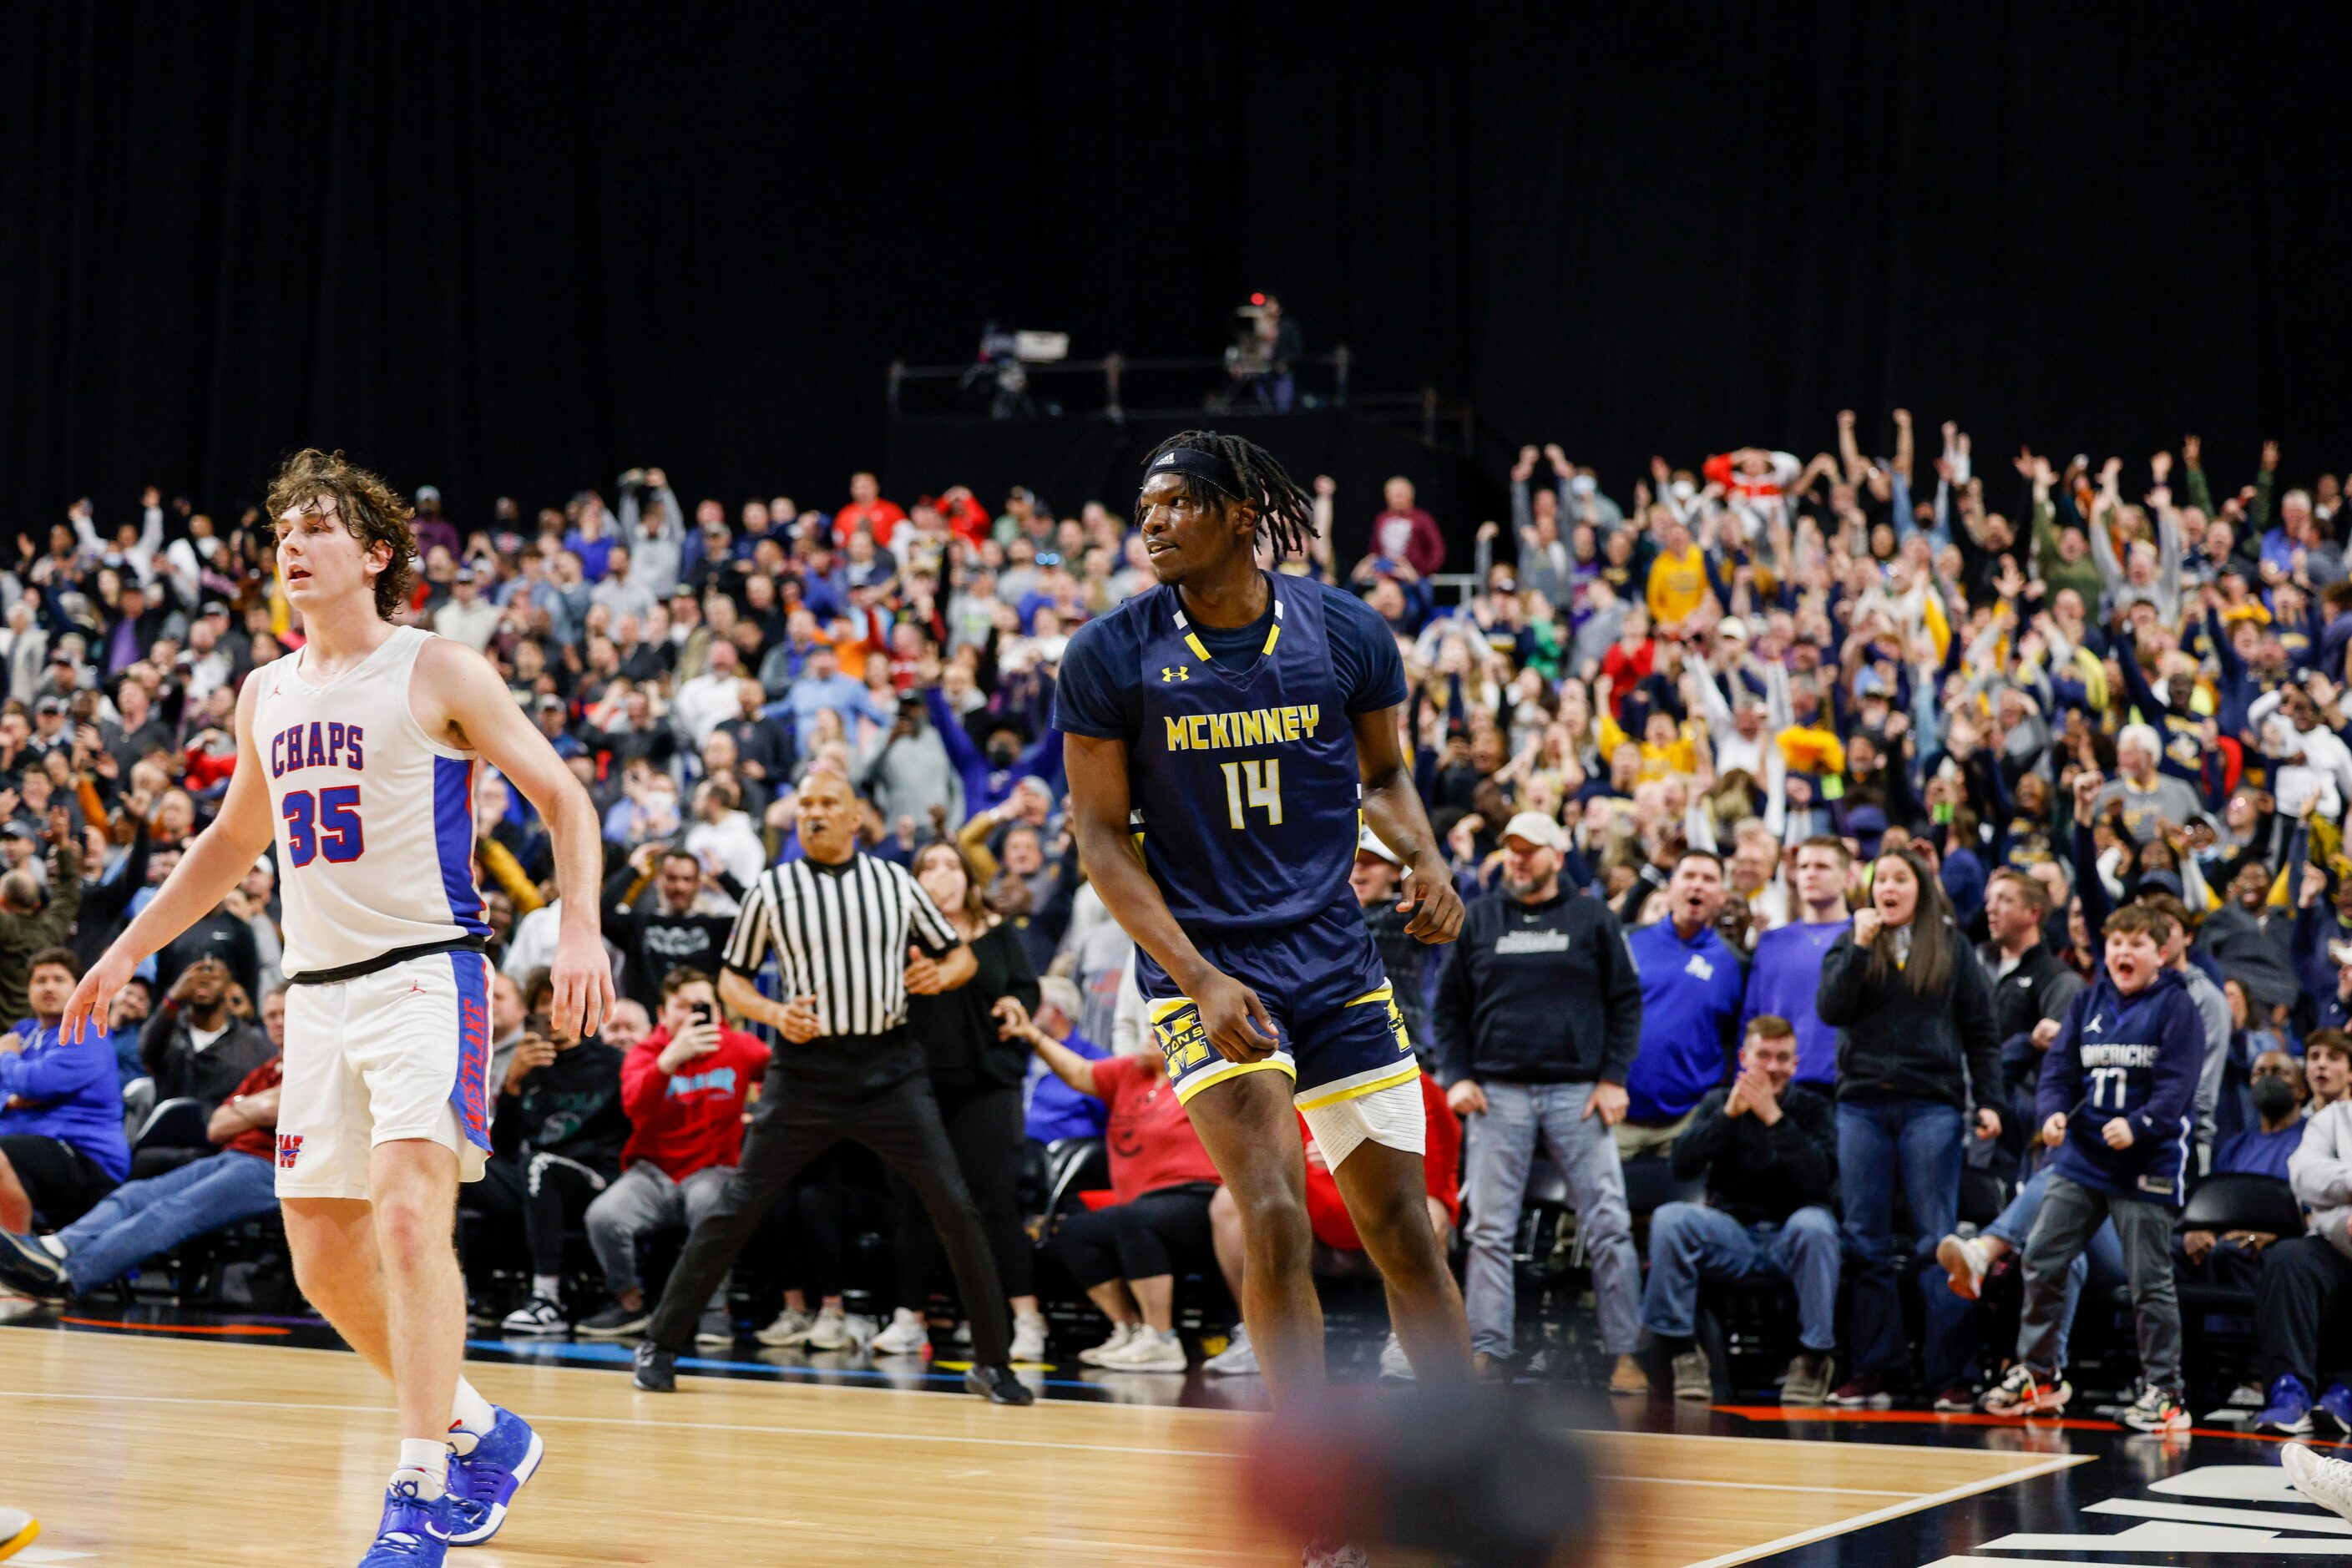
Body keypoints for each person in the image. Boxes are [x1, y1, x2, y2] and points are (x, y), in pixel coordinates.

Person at [58, 451, 617, 1562]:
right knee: (320, 1258)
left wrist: (583, 924)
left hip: (426, 970)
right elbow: (229, 842)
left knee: (410, 1212)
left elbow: (563, 795)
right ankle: (478, 1426)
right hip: (316, 993)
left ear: (374, 552)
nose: (293, 547)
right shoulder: (266, 690)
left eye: (316, 528)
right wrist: (124, 946)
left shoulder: (438, 668)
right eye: (280, 534)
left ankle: (418, 1484)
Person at [1055, 432, 1469, 1513]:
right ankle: (1320, 1494)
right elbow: (1100, 841)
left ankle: (1472, 1476)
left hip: (1334, 958)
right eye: (1142, 507)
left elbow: (1383, 776)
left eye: (1175, 504)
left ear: (1241, 513)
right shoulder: (1109, 654)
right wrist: (1193, 974)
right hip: (1208, 969)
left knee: (1403, 1232)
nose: (1149, 523)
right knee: (1275, 1215)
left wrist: (1422, 859)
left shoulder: (1343, 630)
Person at [627, 768, 1033, 1405]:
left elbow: (960, 955)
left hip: (890, 1070)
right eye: (805, 804)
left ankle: (992, 1362)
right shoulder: (772, 887)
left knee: (954, 1204)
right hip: (805, 1072)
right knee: (738, 1206)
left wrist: (941, 979)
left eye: (828, 804)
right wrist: (771, 1014)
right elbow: (732, 979)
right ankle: (660, 1342)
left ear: (855, 818)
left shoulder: (894, 882)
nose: (814, 813)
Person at [1433, 811, 1645, 1388]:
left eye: (1530, 850)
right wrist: (1456, 1075)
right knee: (1489, 1231)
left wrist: (1612, 1078)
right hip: (1496, 1092)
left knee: (1608, 1225)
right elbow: (1447, 1010)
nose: (1518, 860)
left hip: (1577, 1092)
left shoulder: (1592, 918)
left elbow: (1625, 1002)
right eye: (1510, 851)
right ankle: (1486, 1350)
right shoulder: (1478, 920)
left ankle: (1627, 1353)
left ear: (1557, 854)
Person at [1978, 904, 2199, 1432]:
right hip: (2082, 1157)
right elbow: (2058, 1072)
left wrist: (2142, 1125)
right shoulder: (2087, 1000)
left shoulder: (2177, 1006)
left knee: (2150, 1281)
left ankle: (2166, 1394)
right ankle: (2040, 1374)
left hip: (2146, 1160)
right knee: (2042, 1257)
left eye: (2137, 944)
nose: (2123, 952)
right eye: (2116, 942)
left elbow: (2178, 1087)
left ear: (2161, 954)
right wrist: (2051, 1114)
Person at [1813, 845, 2001, 1408]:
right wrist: (1857, 947)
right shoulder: (1851, 942)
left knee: (1935, 1242)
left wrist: (1988, 1100)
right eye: (1880, 880)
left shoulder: (1950, 947)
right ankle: (1873, 1368)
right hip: (1860, 1107)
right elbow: (1830, 1009)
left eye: (1900, 879)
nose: (1888, 889)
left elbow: (1980, 1031)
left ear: (1919, 888)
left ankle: (1952, 1374)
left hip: (1931, 1107)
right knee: (1865, 1242)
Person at [872, 839, 1048, 1363]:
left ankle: (1025, 1318)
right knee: (913, 1203)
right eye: (930, 866)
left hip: (986, 1081)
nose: (941, 875)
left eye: (951, 866)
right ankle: (910, 1317)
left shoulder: (996, 934)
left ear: (970, 880)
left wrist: (1018, 1003)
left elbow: (1027, 988)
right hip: (914, 1086)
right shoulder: (897, 937)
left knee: (994, 1200)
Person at [0, 987, 286, 1299]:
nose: (278, 1022)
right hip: (233, 1156)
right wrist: (258, 1106)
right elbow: (217, 1127)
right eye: (271, 1015)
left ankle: (67, 1278)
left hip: (277, 1167)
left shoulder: (317, 1064)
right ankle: (53, 1250)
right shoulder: (266, 1071)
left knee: (173, 1209)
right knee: (136, 1194)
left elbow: (275, 1108)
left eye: (286, 1014)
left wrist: (244, 1108)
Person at [1641, 1016, 1840, 1405]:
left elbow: (1820, 1180)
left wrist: (1775, 1120)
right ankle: (1683, 1352)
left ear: (1795, 1065)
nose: (1772, 1067)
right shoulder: (1719, 1103)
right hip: (1732, 1236)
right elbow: (1680, 1166)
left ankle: (1813, 1358)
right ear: (1743, 1059)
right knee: (1670, 1219)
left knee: (1817, 1226)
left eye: (1782, 1058)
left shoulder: (1815, 1108)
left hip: (1792, 1237)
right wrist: (1727, 1117)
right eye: (1763, 1056)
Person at [1020, 1002, 1222, 1369]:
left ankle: (1161, 1339)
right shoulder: (1129, 1074)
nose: (1151, 1034)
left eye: (1162, 1031)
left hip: (1199, 1197)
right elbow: (1079, 1071)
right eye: (1150, 1028)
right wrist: (1034, 1036)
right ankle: (1128, 1330)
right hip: (1142, 1204)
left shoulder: (1203, 1079)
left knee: (1132, 1220)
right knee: (1074, 1232)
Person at [576, 969, 768, 1341]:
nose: (694, 1013)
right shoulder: (645, 1053)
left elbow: (781, 1073)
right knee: (603, 1216)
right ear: (663, 1013)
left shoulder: (740, 1046)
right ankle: (630, 1306)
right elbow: (634, 1107)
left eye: (703, 1005)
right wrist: (669, 1060)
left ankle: (714, 1311)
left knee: (710, 1205)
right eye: (683, 1006)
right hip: (654, 1171)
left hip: (713, 1170)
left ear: (718, 1009)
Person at [488, 1019, 630, 1336]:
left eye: (560, 1007)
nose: (551, 1018)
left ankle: (547, 1299)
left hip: (595, 1176)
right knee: (460, 1173)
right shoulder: (531, 1066)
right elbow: (503, 1149)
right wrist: (511, 1085)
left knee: (539, 1164)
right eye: (543, 1009)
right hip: (537, 1178)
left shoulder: (612, 1062)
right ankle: (464, 1293)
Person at [1621, 850, 1745, 1160]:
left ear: (1721, 896)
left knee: (1675, 1209)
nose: (1697, 886)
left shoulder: (1736, 964)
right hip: (1615, 1114)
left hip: (1687, 1122)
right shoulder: (1628, 941)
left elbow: (1732, 1041)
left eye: (1708, 879)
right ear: (1671, 886)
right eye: (1688, 876)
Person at [0, 948, 128, 1233]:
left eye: (59, 979)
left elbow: (35, 1083)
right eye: (40, 980)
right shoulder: (22, 1031)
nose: (49, 987)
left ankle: (19, 1262)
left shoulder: (88, 1031)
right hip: (29, 1145)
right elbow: (26, 1087)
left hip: (84, 1156)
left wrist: (7, 1059)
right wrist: (10, 1101)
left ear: (78, 988)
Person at [1739, 837, 1852, 1090]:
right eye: (1804, 867)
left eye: (1822, 867)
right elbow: (1750, 1018)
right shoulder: (1771, 943)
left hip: (1844, 1090)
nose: (1811, 874)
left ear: (1847, 877)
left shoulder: (1864, 939)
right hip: (1775, 1085)